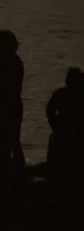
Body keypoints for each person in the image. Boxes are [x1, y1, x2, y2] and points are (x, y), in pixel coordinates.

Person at [46, 68, 83, 202]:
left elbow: (50, 111)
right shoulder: (61, 94)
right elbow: (50, 111)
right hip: (64, 134)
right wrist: (56, 126)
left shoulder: (68, 95)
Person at [0, 29, 25, 168]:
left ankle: (16, 167)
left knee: (12, 139)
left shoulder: (15, 63)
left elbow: (10, 87)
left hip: (11, 106)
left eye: (1, 46)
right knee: (1, 139)